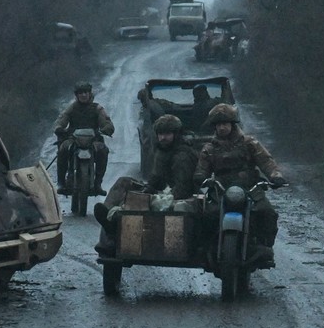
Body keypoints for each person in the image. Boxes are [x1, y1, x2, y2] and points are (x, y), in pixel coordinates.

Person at [192, 103, 288, 264]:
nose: (222, 127)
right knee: (206, 216)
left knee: (267, 212)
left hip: (250, 188)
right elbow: (202, 168)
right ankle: (206, 248)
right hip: (221, 190)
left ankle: (265, 248)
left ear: (232, 124)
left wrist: (275, 175)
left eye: (225, 123)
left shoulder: (250, 143)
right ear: (214, 127)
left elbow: (266, 161)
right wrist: (200, 176)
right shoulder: (209, 148)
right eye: (218, 124)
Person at [94, 114, 199, 255]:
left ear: (176, 134)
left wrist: (155, 199)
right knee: (124, 182)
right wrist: (147, 189)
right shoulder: (162, 150)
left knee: (138, 202)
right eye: (160, 134)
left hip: (177, 197)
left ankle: (111, 232)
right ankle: (107, 218)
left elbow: (183, 187)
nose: (163, 138)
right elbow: (156, 178)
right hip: (161, 191)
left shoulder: (183, 155)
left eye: (167, 134)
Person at [53, 81, 114, 196]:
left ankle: (98, 183)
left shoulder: (97, 108)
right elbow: (61, 119)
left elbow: (106, 121)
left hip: (93, 140)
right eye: (80, 92)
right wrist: (59, 127)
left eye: (86, 92)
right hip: (72, 139)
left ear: (90, 93)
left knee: (103, 151)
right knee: (62, 149)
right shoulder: (71, 108)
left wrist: (107, 128)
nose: (83, 95)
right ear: (76, 95)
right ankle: (61, 182)